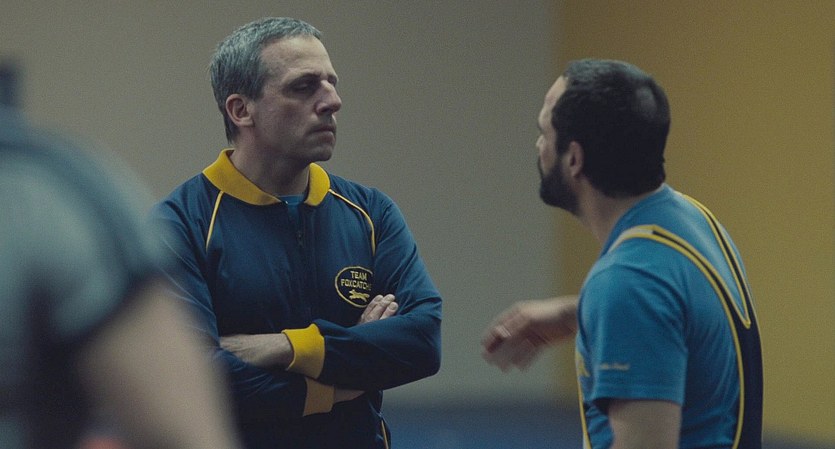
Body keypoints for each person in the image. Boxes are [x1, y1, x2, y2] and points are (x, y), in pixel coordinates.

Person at [150, 17, 442, 449]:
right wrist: (342, 378)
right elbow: (196, 378)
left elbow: (422, 341)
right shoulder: (178, 225)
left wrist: (288, 347)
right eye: (304, 87)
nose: (333, 101)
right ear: (240, 110)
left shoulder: (371, 212)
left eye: (331, 83)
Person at [481, 59, 762, 449]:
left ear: (574, 159)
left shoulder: (628, 282)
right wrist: (578, 312)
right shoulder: (694, 220)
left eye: (543, 132)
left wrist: (609, 306)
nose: (538, 146)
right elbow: (681, 313)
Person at [0, 108, 242, 449]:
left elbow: (184, 432)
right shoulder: (185, 213)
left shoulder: (46, 194)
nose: (321, 104)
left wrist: (295, 350)